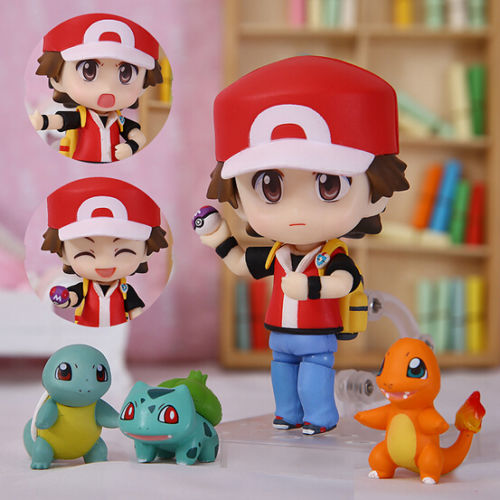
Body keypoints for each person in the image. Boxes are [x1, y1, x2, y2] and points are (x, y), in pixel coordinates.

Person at [194, 56, 409, 434]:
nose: (297, 213)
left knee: (313, 380)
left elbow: (345, 282)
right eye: (270, 187)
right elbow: (242, 264)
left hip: (316, 337)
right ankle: (288, 414)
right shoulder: (277, 253)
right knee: (282, 380)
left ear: (375, 196)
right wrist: (220, 240)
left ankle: (321, 416)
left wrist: (310, 288)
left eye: (329, 185)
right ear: (237, 199)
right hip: (280, 336)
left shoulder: (332, 255)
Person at [30, 13, 163, 162]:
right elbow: (61, 120)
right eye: (89, 71)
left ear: (143, 85)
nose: (108, 88)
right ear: (57, 79)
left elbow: (138, 136)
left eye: (126, 74)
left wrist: (131, 146)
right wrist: (42, 121)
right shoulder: (82, 117)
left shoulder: (119, 120)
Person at [42, 177, 168, 327]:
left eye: (123, 252)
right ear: (63, 255)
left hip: (115, 331)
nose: (104, 262)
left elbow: (135, 309)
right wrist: (65, 299)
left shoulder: (125, 290)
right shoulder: (84, 288)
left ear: (146, 252)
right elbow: (73, 297)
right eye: (86, 254)